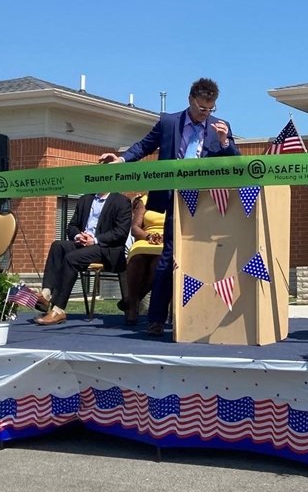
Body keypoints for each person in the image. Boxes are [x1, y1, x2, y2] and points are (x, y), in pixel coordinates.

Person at [99, 77, 240, 336]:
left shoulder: (221, 127)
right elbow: (144, 146)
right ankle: (156, 319)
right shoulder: (169, 122)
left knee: (202, 261)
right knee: (169, 258)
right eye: (201, 108)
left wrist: (223, 143)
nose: (205, 114)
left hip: (206, 204)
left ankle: (197, 316)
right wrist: (120, 159)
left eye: (210, 109)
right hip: (174, 199)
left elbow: (235, 163)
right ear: (190, 100)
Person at [35, 191, 132, 326]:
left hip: (107, 249)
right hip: (84, 245)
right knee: (57, 246)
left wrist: (95, 240)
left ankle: (58, 310)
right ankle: (46, 295)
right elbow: (72, 226)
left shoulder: (121, 201)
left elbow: (121, 233)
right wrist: (78, 236)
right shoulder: (85, 200)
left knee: (71, 258)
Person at [118, 193, 166, 325]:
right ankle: (133, 309)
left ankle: (132, 301)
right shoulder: (144, 201)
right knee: (136, 259)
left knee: (157, 264)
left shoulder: (177, 200)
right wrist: (148, 236)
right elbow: (134, 228)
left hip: (167, 240)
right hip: (146, 238)